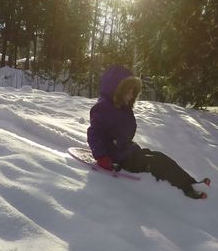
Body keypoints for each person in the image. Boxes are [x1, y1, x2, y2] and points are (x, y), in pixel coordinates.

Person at [87, 65, 209, 199]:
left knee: (159, 156)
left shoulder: (123, 109)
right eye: (128, 92)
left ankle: (189, 181)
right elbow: (93, 133)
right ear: (117, 90)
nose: (131, 95)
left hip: (129, 151)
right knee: (156, 163)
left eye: (133, 92)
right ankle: (186, 190)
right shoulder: (102, 109)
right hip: (118, 158)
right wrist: (101, 157)